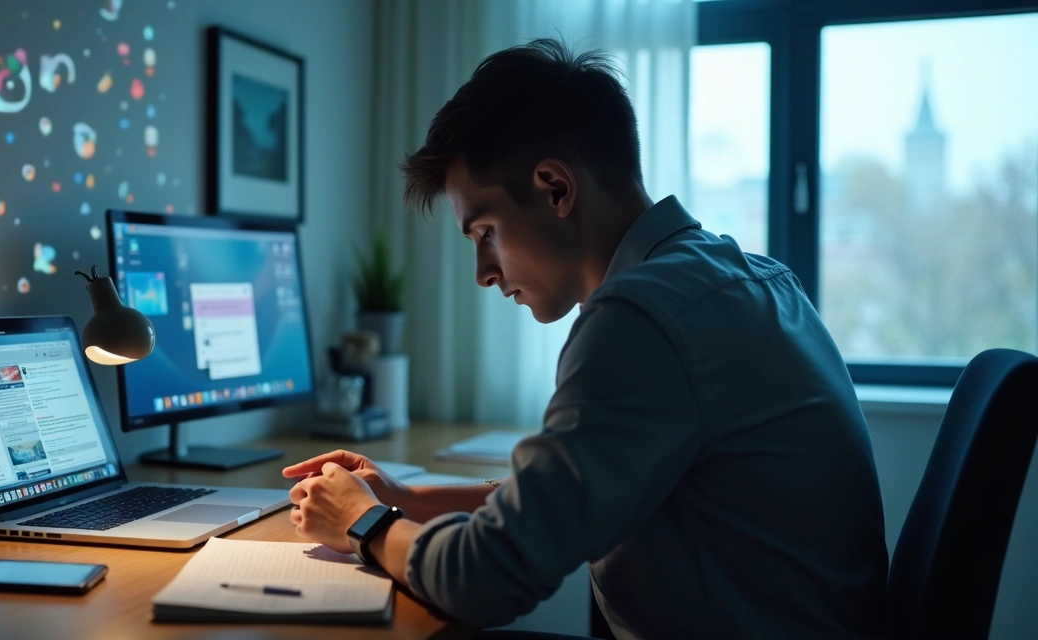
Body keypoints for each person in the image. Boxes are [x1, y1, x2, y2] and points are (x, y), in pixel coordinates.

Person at [282, 38, 888, 639]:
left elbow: (485, 578)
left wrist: (364, 521)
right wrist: (403, 495)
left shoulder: (641, 318)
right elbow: (558, 498)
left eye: (485, 232)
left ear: (556, 188)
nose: (483, 273)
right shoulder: (747, 278)